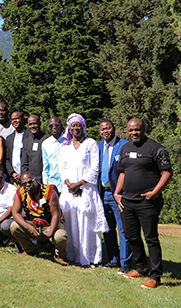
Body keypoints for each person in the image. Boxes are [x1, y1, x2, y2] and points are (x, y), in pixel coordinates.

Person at [114, 118, 173, 289]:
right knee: (131, 236)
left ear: (144, 129)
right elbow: (123, 173)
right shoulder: (125, 148)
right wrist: (117, 193)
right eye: (131, 130)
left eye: (137, 130)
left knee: (151, 238)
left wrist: (155, 192)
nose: (134, 133)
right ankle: (141, 268)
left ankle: (155, 276)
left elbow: (167, 172)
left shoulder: (155, 148)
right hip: (127, 202)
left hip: (148, 202)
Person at [60, 113, 108, 266]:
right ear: (69, 128)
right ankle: (74, 256)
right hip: (69, 192)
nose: (75, 128)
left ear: (83, 127)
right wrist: (69, 184)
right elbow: (62, 167)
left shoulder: (91, 143)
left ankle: (91, 258)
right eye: (73, 125)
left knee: (87, 225)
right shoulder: (65, 146)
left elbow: (95, 168)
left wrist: (79, 183)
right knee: (71, 225)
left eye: (78, 125)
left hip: (86, 190)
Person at [10, 172, 68, 264]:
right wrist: (28, 227)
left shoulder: (49, 192)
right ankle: (30, 250)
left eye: (30, 182)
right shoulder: (20, 192)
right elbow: (15, 213)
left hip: (51, 223)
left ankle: (61, 255)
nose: (28, 185)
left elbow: (55, 215)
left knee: (61, 237)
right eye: (24, 184)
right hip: (33, 222)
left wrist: (49, 234)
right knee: (14, 226)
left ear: (36, 180)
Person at [98, 118, 131, 273]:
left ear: (114, 128)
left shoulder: (124, 145)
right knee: (108, 229)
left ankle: (125, 263)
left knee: (123, 229)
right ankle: (113, 259)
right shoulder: (98, 147)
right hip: (102, 193)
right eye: (103, 129)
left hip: (118, 194)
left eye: (108, 128)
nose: (106, 131)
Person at [20, 114, 50, 183]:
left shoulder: (47, 139)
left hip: (45, 179)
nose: (32, 126)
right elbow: (24, 163)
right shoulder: (26, 141)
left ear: (40, 124)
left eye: (35, 124)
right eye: (30, 124)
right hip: (31, 181)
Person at [41, 117, 65, 192]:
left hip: (67, 184)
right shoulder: (46, 144)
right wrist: (46, 185)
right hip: (53, 184)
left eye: (56, 125)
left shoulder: (69, 140)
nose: (54, 127)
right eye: (51, 126)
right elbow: (46, 166)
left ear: (61, 126)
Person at [4, 110, 27, 185]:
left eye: (17, 118)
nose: (14, 121)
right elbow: (7, 159)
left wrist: (22, 173)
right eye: (13, 119)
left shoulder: (30, 135)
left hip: (27, 177)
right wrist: (12, 173)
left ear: (23, 119)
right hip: (14, 179)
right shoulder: (9, 138)